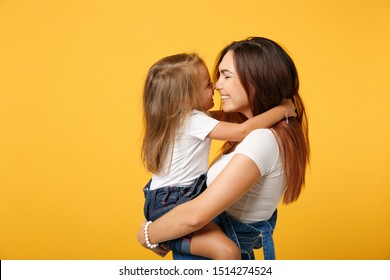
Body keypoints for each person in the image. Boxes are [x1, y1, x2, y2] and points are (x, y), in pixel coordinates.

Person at [138, 37, 310, 260]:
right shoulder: (244, 131)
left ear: (257, 81)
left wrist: (147, 234)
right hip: (175, 204)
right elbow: (231, 124)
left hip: (183, 213)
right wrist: (282, 109)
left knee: (228, 253)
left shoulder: (261, 139)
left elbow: (194, 216)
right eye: (214, 79)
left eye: (226, 76)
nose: (217, 85)